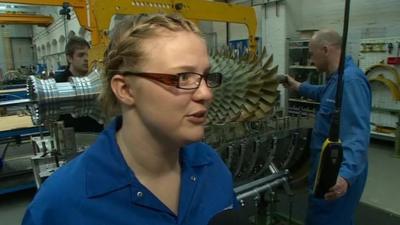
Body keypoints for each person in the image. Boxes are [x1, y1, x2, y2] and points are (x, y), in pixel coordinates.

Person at [22, 14, 237, 225]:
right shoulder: (61, 206)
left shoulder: (211, 166)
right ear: (125, 89)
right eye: (182, 77)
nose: (206, 94)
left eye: (206, 76)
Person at [282, 29, 371, 225]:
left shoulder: (350, 81)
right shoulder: (337, 79)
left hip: (336, 172)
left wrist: (345, 177)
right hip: (327, 166)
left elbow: (357, 133)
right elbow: (325, 93)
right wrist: (297, 86)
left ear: (325, 50)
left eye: (312, 54)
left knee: (328, 220)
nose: (311, 61)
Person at [56, 36, 103, 132]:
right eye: (81, 55)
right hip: (72, 138)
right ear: (69, 58)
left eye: (88, 55)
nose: (86, 59)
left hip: (97, 134)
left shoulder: (96, 79)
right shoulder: (58, 84)